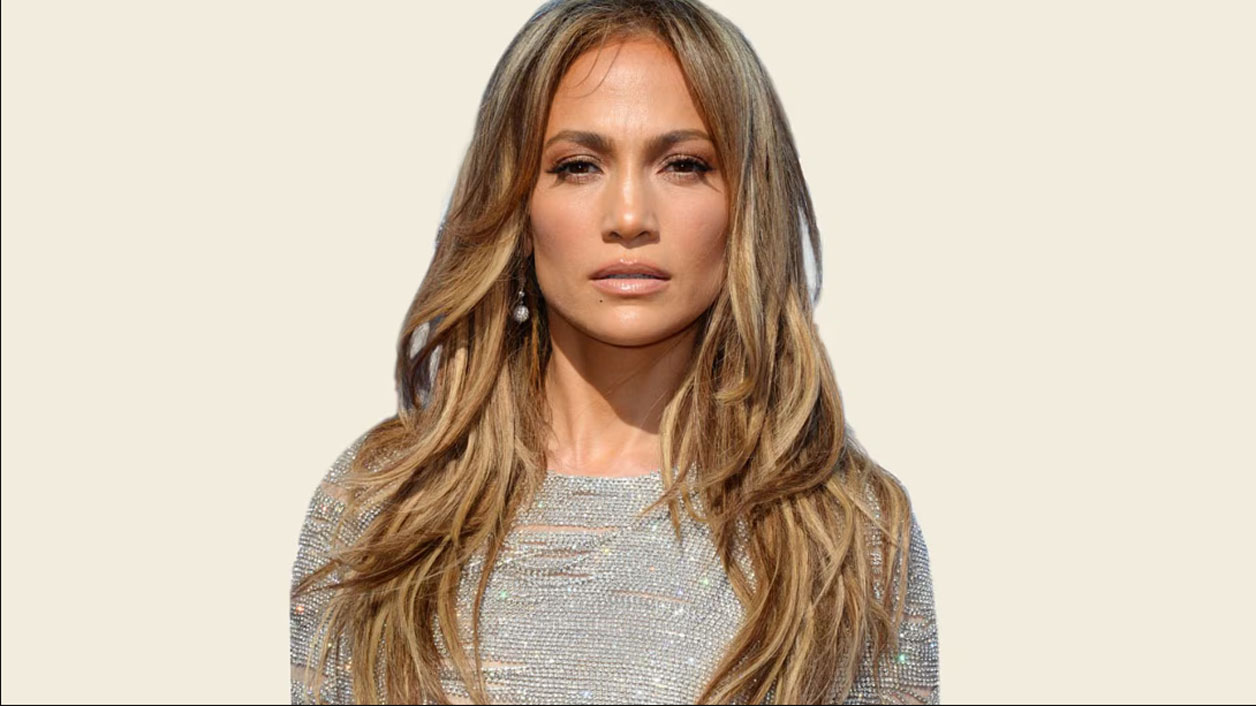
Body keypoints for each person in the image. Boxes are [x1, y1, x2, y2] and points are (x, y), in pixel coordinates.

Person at [290, 0, 939, 703]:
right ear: (517, 203)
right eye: (579, 166)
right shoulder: (381, 508)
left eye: (683, 164)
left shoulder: (848, 536)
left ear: (747, 203)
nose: (629, 217)